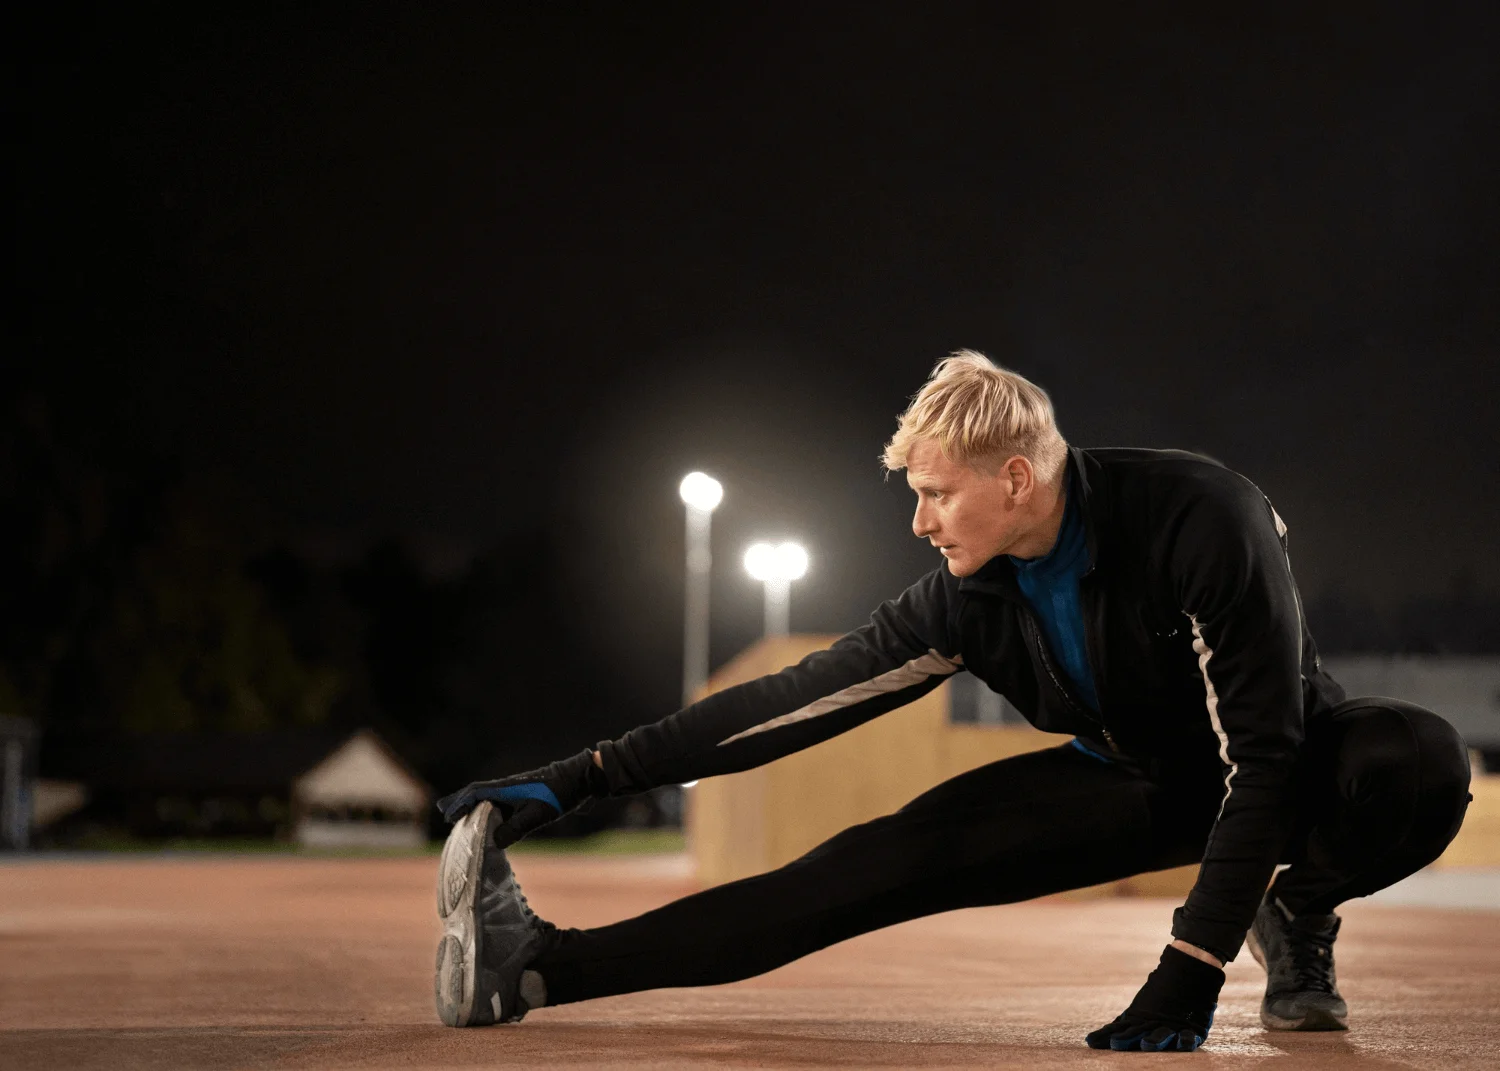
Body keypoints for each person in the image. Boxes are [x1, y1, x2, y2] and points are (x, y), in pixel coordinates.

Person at [432, 351, 1471, 1051]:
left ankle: (1298, 909)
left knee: (1418, 760)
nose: (920, 522)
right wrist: (576, 780)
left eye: (935, 494)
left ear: (1015, 478)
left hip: (1286, 766)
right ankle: (537, 968)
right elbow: (790, 703)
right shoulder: (963, 597)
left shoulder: (1201, 519)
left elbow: (1266, 759)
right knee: (856, 869)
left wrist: (1191, 967)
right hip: (1131, 782)